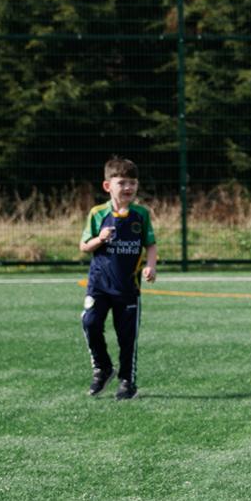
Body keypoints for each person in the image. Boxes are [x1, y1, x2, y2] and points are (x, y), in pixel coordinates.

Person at [79, 156, 158, 400]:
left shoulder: (141, 215)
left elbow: (150, 244)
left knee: (127, 337)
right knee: (90, 323)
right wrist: (100, 239)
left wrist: (150, 266)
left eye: (132, 183)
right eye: (122, 182)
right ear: (108, 186)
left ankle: (127, 380)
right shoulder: (97, 213)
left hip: (127, 287)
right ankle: (102, 368)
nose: (128, 188)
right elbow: (84, 246)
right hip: (99, 285)